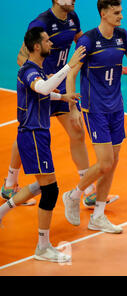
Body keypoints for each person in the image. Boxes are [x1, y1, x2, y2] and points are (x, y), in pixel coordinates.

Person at [1, 0, 119, 208]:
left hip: (62, 87)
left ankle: (88, 191)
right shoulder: (41, 23)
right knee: (26, 136)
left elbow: (84, 44)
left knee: (77, 132)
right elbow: (21, 59)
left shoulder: (73, 19)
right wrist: (40, 82)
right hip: (40, 90)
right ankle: (10, 184)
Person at [62, 0, 127, 233]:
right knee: (105, 162)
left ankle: (98, 215)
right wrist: (72, 107)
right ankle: (73, 195)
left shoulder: (122, 36)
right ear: (103, 14)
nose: (121, 16)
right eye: (116, 13)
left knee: (113, 163)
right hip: (94, 108)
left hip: (116, 107)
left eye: (121, 12)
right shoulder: (87, 40)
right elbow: (71, 74)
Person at [0, 27, 85, 262]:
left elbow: (45, 92)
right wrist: (69, 67)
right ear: (36, 46)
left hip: (39, 135)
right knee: (50, 190)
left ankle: (2, 212)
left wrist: (63, 97)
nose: (51, 43)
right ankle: (43, 246)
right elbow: (43, 88)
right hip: (33, 134)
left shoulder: (37, 70)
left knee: (41, 186)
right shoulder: (28, 70)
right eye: (47, 40)